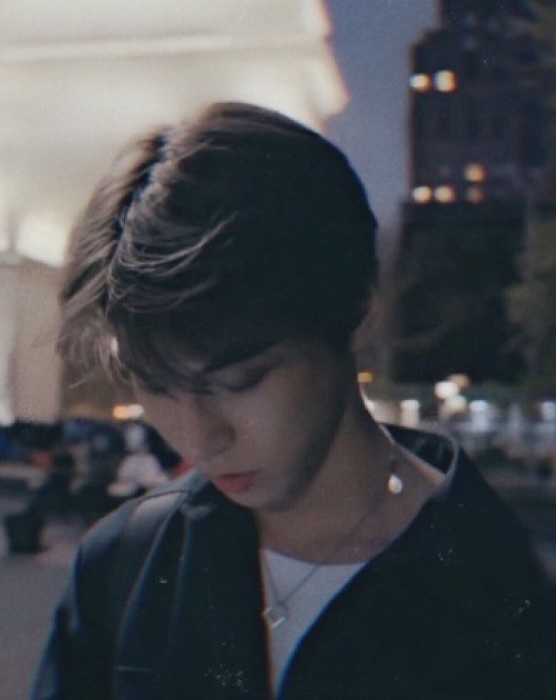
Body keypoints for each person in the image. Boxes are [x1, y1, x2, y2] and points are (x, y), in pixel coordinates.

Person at [31, 102, 556, 699]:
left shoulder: (502, 600)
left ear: (357, 312)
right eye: (156, 386)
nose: (201, 438)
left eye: (241, 381)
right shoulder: (126, 563)